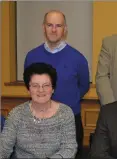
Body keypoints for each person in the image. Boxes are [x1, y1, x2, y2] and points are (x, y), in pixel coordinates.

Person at [24, 10, 90, 154]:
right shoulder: (31, 57)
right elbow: (28, 85)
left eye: (58, 25)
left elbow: (84, 86)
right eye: (50, 25)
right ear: (43, 27)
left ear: (65, 29)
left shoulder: (78, 59)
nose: (54, 30)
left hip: (70, 123)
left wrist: (68, 100)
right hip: (37, 123)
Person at [0, 63, 77, 158]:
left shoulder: (65, 113)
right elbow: (3, 148)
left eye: (46, 85)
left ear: (53, 89)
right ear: (28, 89)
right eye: (35, 86)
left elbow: (69, 148)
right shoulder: (16, 114)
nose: (41, 90)